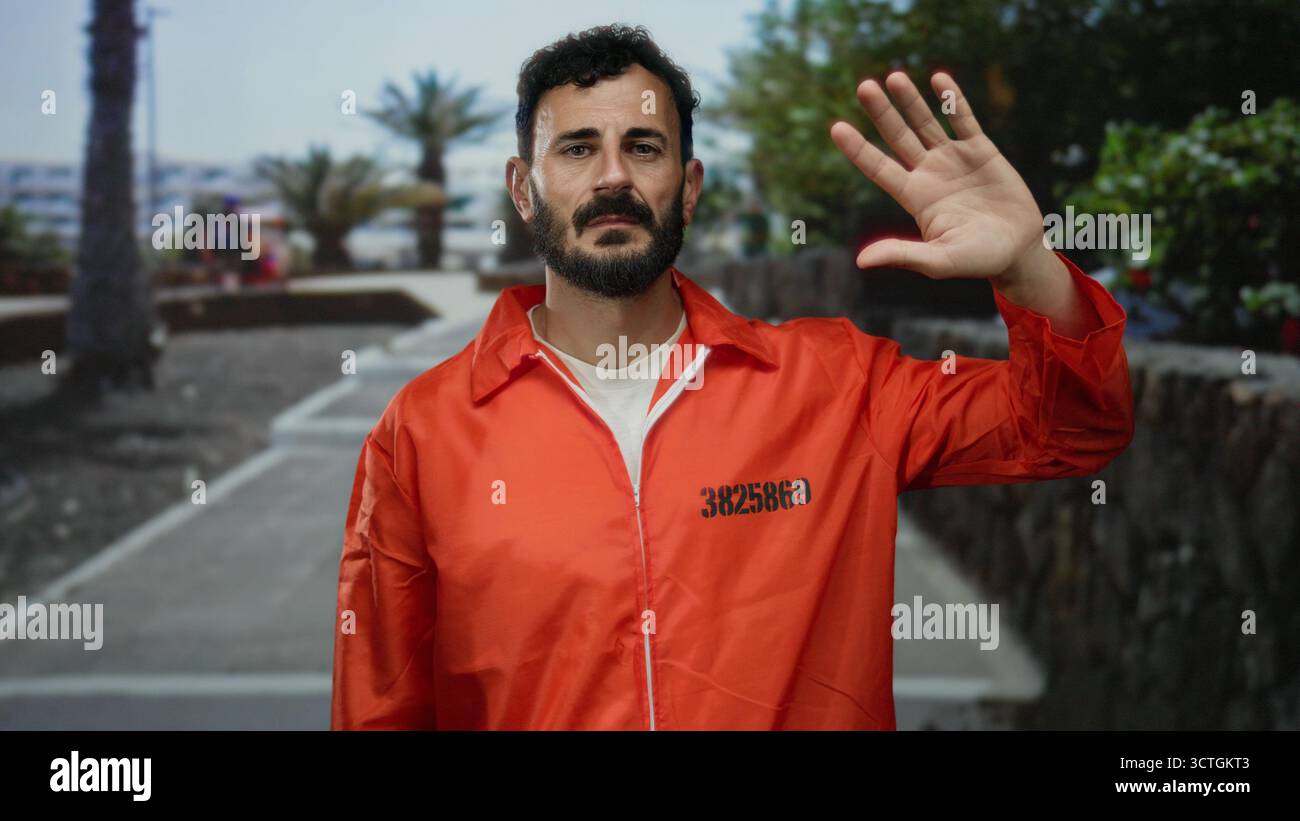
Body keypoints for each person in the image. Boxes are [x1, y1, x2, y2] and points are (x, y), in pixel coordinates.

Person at [330, 24, 1133, 730]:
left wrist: (1028, 267)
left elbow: (1072, 426)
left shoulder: (837, 382)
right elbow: (379, 710)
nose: (614, 177)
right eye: (578, 149)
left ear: (689, 186)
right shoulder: (422, 432)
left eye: (644, 148)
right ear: (523, 189)